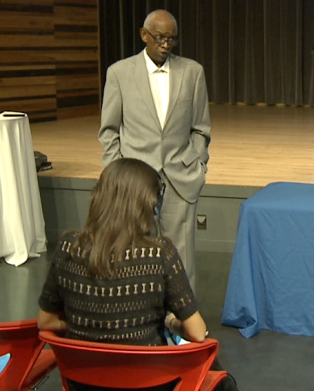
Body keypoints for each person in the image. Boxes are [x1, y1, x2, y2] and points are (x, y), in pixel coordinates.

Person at [37, 158, 237, 391]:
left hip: (83, 384)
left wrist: (90, 323)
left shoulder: (67, 248)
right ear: (148, 204)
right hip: (151, 385)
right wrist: (170, 322)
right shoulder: (160, 253)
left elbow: (46, 321)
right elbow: (197, 332)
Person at [98, 9, 210, 292]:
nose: (166, 45)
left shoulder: (192, 72)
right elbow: (109, 131)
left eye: (172, 39)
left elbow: (200, 128)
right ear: (144, 35)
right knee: (133, 253)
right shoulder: (119, 74)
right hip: (133, 183)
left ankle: (182, 323)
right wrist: (117, 174)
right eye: (160, 38)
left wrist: (197, 165)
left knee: (181, 257)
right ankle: (138, 316)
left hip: (180, 178)